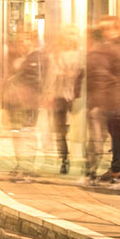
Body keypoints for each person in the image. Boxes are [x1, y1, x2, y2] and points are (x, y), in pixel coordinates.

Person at [86, 16, 120, 184]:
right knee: (118, 134)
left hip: (118, 96)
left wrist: (111, 79)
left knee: (118, 134)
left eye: (107, 28)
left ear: (117, 29)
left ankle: (117, 170)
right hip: (109, 97)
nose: (104, 32)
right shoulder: (106, 47)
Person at [42, 28, 84, 175]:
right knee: (68, 130)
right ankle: (66, 158)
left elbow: (51, 78)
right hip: (72, 97)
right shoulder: (80, 56)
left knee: (61, 131)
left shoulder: (57, 56)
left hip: (62, 96)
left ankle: (64, 159)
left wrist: (48, 93)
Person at [5, 34, 44, 177]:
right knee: (18, 133)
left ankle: (27, 166)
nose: (22, 44)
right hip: (18, 102)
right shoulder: (23, 58)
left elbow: (34, 80)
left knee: (27, 133)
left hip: (28, 102)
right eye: (21, 41)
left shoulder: (35, 58)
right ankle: (21, 164)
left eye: (25, 40)